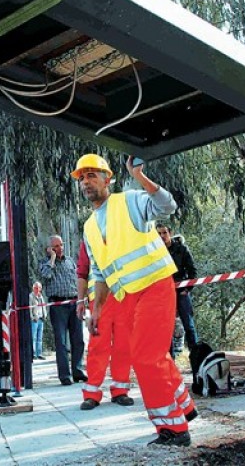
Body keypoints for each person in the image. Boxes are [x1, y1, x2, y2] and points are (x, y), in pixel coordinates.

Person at [72, 153, 196, 447]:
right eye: (82, 178)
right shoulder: (89, 227)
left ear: (107, 179)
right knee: (154, 355)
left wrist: (140, 176)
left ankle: (173, 429)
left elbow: (167, 206)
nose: (86, 182)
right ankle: (185, 407)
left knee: (145, 358)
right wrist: (96, 309)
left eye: (92, 175)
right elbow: (100, 272)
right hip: (126, 296)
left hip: (154, 286)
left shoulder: (129, 201)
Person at [75, 240, 135, 410]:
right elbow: (82, 271)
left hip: (124, 295)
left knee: (123, 344)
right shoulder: (90, 236)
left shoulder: (123, 230)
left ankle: (120, 390)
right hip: (99, 300)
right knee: (98, 345)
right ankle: (92, 393)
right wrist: (80, 300)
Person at [39, 234, 86, 385]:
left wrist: (81, 300)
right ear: (49, 249)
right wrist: (52, 259)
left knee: (78, 340)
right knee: (61, 342)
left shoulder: (70, 261)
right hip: (58, 305)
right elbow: (46, 276)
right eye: (56, 246)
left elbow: (77, 279)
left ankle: (78, 371)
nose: (60, 248)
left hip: (73, 302)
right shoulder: (45, 263)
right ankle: (65, 375)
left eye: (61, 245)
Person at [155, 222, 200, 361]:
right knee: (166, 327)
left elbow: (193, 272)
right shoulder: (155, 251)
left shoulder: (182, 249)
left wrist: (187, 289)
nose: (162, 236)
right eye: (159, 233)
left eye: (164, 233)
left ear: (170, 233)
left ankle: (196, 358)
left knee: (189, 325)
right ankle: (170, 360)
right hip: (163, 294)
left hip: (181, 292)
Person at [29, 281, 48, 360]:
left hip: (41, 319)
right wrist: (32, 317)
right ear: (33, 288)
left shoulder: (41, 296)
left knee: (39, 338)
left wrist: (45, 315)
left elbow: (44, 306)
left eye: (39, 288)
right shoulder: (31, 296)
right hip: (35, 319)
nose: (37, 289)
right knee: (33, 337)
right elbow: (29, 308)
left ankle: (39, 353)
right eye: (36, 288)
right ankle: (33, 354)